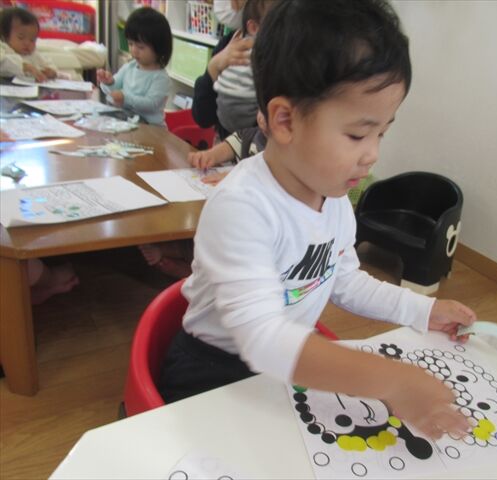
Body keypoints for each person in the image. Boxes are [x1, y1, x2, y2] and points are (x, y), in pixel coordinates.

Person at [158, 0, 477, 441]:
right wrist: (392, 381)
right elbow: (262, 338)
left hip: (284, 364)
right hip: (212, 372)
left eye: (382, 132)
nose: (373, 154)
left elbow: (344, 281)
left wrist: (423, 310)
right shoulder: (242, 208)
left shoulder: (335, 199)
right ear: (284, 120)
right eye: (357, 134)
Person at [138, 118, 267, 278]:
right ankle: (181, 257)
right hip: (227, 209)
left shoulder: (279, 154)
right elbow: (235, 142)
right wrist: (209, 155)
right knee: (199, 224)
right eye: (261, 111)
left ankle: (189, 270)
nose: (261, 118)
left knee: (216, 238)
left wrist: (235, 176)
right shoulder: (253, 135)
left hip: (249, 226)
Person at [96, 7, 172, 127]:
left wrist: (125, 98)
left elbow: (151, 104)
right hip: (128, 123)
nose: (133, 50)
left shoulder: (160, 77)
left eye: (141, 47)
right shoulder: (129, 67)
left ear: (159, 48)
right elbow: (113, 90)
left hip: (151, 129)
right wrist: (108, 82)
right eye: (130, 44)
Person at [212, 0, 275, 133]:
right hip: (243, 112)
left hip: (222, 108)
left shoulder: (235, 42)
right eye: (276, 26)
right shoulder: (263, 49)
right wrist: (213, 66)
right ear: (253, 27)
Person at [191, 1, 251, 136]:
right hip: (226, 142)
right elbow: (203, 117)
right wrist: (213, 67)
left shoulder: (279, 53)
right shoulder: (227, 43)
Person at [0, 7, 57, 82]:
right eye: (21, 38)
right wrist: (24, 67)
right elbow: (2, 62)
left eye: (32, 40)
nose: (27, 43)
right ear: (4, 37)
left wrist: (51, 71)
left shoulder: (34, 55)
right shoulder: (3, 48)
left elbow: (48, 62)